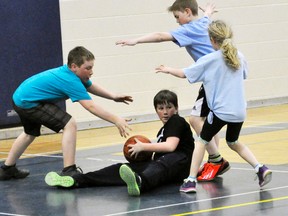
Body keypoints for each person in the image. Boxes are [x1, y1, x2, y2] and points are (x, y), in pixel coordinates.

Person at [116, 0, 229, 181]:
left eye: (177, 17)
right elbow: (207, 16)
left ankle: (216, 159)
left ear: (186, 12)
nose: (177, 21)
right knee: (208, 121)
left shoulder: (189, 29)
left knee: (194, 119)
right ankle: (213, 159)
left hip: (212, 79)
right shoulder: (203, 22)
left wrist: (135, 41)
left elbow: (160, 36)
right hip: (222, 78)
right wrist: (208, 11)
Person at [155, 20, 272, 192]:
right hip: (239, 112)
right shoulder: (239, 56)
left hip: (221, 112)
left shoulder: (209, 59)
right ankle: (260, 168)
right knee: (233, 141)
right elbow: (244, 75)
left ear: (211, 39)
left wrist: (168, 69)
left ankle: (190, 181)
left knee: (201, 141)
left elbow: (184, 73)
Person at [0, 46, 133, 181]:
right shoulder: (70, 80)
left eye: (92, 67)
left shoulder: (71, 73)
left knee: (30, 133)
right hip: (29, 102)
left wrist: (113, 96)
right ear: (74, 66)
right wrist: (116, 119)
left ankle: (7, 169)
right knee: (69, 123)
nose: (91, 72)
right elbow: (90, 106)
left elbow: (90, 86)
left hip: (20, 98)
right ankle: (69, 170)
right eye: (88, 68)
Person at [44, 89, 195, 196]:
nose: (165, 111)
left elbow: (170, 146)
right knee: (119, 169)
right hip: (165, 167)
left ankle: (140, 181)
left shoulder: (177, 120)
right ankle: (76, 180)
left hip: (180, 163)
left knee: (161, 163)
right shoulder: (164, 129)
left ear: (176, 108)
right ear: (156, 110)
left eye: (169, 107)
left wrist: (143, 147)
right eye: (161, 108)